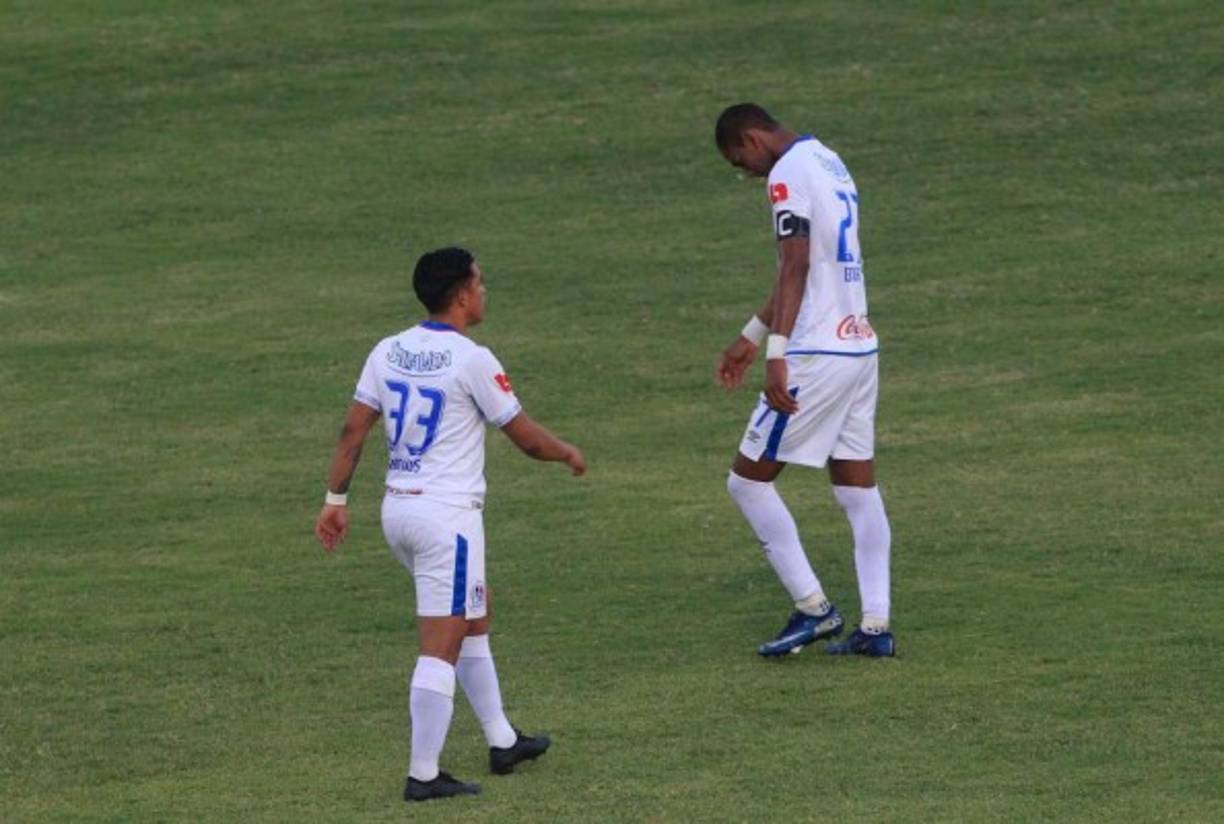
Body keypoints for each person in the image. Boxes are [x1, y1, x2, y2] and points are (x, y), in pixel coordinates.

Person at [313, 247, 586, 802]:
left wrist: (335, 499)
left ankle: (502, 740)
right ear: (461, 293)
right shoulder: (471, 359)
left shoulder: (388, 350)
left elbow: (352, 431)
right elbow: (524, 435)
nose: (485, 291)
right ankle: (423, 773)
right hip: (448, 521)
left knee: (473, 620)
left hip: (401, 512)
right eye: (480, 282)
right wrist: (566, 454)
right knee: (441, 645)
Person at [713, 103, 895, 659]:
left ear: (751, 136)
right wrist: (750, 333)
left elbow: (793, 265)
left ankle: (815, 608)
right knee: (856, 490)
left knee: (747, 482)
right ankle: (876, 626)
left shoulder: (787, 173)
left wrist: (776, 355)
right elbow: (814, 267)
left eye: (739, 159)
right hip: (858, 345)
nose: (746, 172)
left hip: (815, 353)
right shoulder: (830, 161)